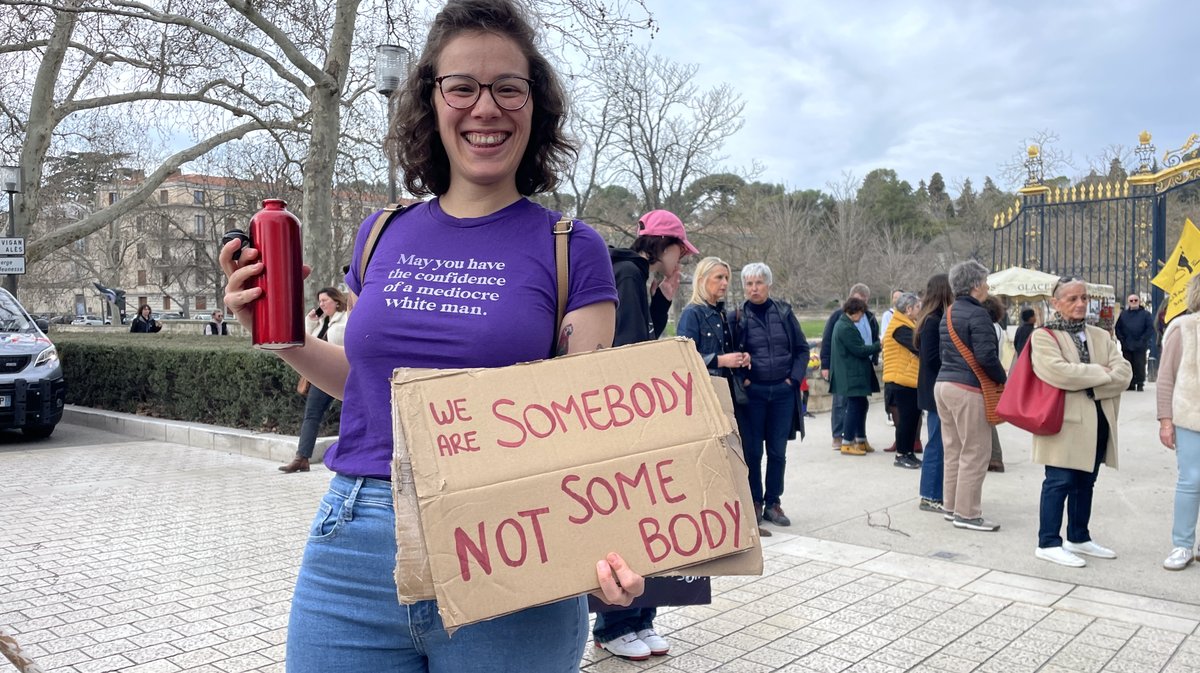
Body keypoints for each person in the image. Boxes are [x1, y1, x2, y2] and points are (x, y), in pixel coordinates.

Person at [220, 1, 643, 669]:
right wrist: (279, 337)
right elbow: (369, 385)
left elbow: (590, 425)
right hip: (357, 540)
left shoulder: (570, 248)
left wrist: (612, 545)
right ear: (432, 99)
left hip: (510, 547)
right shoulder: (383, 232)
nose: (486, 107)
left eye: (508, 86)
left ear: (535, 105)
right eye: (462, 87)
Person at [593, 210, 694, 660]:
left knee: (645, 520)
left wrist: (663, 302)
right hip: (621, 422)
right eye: (679, 252)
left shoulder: (635, 278)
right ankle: (616, 624)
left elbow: (638, 337)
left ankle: (640, 618)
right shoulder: (628, 273)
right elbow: (631, 354)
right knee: (629, 522)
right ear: (663, 246)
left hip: (625, 420)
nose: (682, 262)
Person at [1031, 276, 1131, 567]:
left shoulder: (1100, 335)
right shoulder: (1044, 336)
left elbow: (1124, 373)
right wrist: (1100, 373)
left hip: (1099, 420)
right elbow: (1057, 373)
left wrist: (1090, 381)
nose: (1080, 304)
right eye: (1072, 298)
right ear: (1056, 303)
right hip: (1064, 422)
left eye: (1084, 298)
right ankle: (1048, 541)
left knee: (1086, 482)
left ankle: (1079, 536)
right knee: (1059, 482)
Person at [677, 257, 759, 536]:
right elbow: (682, 358)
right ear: (702, 280)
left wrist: (740, 357)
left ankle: (742, 515)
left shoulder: (720, 313)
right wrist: (720, 360)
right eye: (718, 278)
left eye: (726, 278)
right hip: (706, 397)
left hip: (729, 394)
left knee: (737, 454)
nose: (725, 283)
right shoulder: (693, 314)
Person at [728, 262, 810, 529]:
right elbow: (731, 354)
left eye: (758, 283)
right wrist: (746, 380)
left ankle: (773, 501)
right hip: (753, 394)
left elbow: (801, 350)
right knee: (752, 452)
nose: (754, 288)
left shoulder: (784, 313)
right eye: (749, 284)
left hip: (783, 392)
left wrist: (792, 380)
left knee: (777, 451)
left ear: (768, 285)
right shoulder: (737, 317)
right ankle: (754, 501)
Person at [935, 260, 1006, 532]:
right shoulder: (978, 315)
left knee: (953, 450)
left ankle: (951, 506)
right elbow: (986, 356)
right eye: (985, 281)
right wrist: (1003, 379)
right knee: (976, 452)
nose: (988, 286)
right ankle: (967, 514)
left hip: (944, 385)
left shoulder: (950, 312)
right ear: (976, 285)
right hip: (968, 388)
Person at [279, 288, 350, 474]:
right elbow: (304, 342)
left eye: (325, 300)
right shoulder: (320, 323)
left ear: (336, 302)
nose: (321, 305)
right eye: (319, 301)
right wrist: (310, 323)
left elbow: (344, 342)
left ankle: (349, 456)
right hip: (321, 376)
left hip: (343, 374)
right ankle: (301, 457)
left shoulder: (346, 318)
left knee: (349, 415)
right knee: (311, 415)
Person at [1158, 274, 1200, 570]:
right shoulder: (1182, 327)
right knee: (1191, 480)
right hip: (1190, 416)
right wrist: (1165, 420)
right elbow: (1165, 378)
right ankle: (1182, 545)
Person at [821, 283, 878, 451]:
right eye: (860, 302)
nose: (863, 306)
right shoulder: (840, 320)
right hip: (848, 369)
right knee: (843, 403)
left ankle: (860, 437)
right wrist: (825, 364)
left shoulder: (869, 317)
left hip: (861, 367)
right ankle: (841, 437)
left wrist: (873, 356)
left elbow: (870, 336)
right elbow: (829, 342)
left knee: (861, 403)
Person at [914, 273, 952, 512]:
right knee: (937, 443)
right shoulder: (933, 321)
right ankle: (929, 495)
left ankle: (936, 492)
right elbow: (930, 358)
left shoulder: (931, 318)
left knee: (940, 442)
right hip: (935, 390)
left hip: (933, 388)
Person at [882, 292, 922, 470]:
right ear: (908, 309)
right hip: (900, 382)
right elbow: (918, 348)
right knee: (905, 421)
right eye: (918, 308)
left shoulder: (907, 325)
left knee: (912, 419)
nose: (919, 311)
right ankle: (901, 454)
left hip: (909, 381)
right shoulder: (900, 328)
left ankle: (909, 453)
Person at [983, 296, 1008, 474]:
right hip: (993, 374)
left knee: (987, 419)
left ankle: (994, 457)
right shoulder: (998, 328)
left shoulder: (988, 328)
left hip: (987, 376)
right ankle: (994, 456)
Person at [1115, 293, 1154, 391]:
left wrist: (1142, 340)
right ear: (1128, 302)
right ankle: (1130, 383)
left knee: (1139, 364)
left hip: (1140, 344)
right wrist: (1122, 340)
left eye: (1135, 300)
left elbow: (1150, 328)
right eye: (1131, 301)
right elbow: (1118, 328)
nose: (1133, 302)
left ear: (1139, 301)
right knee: (1128, 364)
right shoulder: (1123, 315)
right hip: (1127, 344)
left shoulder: (1146, 314)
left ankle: (1140, 383)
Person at [878, 289, 903, 427]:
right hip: (891, 354)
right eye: (895, 297)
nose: (897, 299)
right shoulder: (889, 315)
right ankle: (889, 413)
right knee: (890, 387)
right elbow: (885, 334)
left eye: (899, 297)